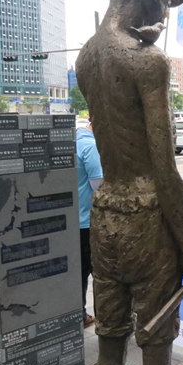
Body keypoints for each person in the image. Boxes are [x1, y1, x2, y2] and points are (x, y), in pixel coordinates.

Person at [75, 0, 183, 365]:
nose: (165, 12)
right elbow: (164, 170)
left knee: (109, 346)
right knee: (155, 345)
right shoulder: (148, 62)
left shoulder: (86, 57)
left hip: (104, 216)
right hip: (147, 220)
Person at [76, 118, 102, 328]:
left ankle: (79, 315)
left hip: (70, 222)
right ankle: (106, 317)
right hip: (87, 222)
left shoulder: (72, 140)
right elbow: (99, 186)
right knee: (101, 273)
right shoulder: (91, 146)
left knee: (78, 273)